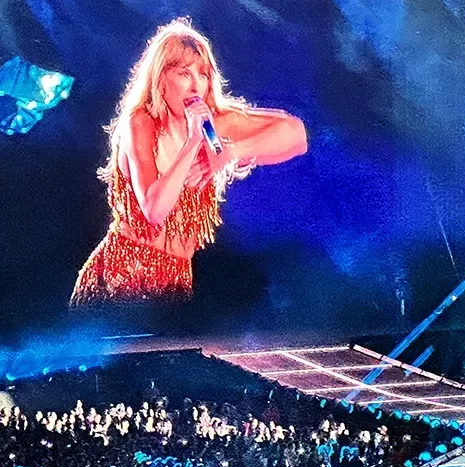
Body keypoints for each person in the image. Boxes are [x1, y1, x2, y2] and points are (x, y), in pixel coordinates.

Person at [70, 18, 307, 305]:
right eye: (184, 73)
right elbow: (154, 210)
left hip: (176, 282)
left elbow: (296, 135)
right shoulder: (141, 123)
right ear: (161, 79)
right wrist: (194, 140)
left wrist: (233, 152)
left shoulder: (215, 120)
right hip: (122, 277)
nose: (196, 86)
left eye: (204, 75)